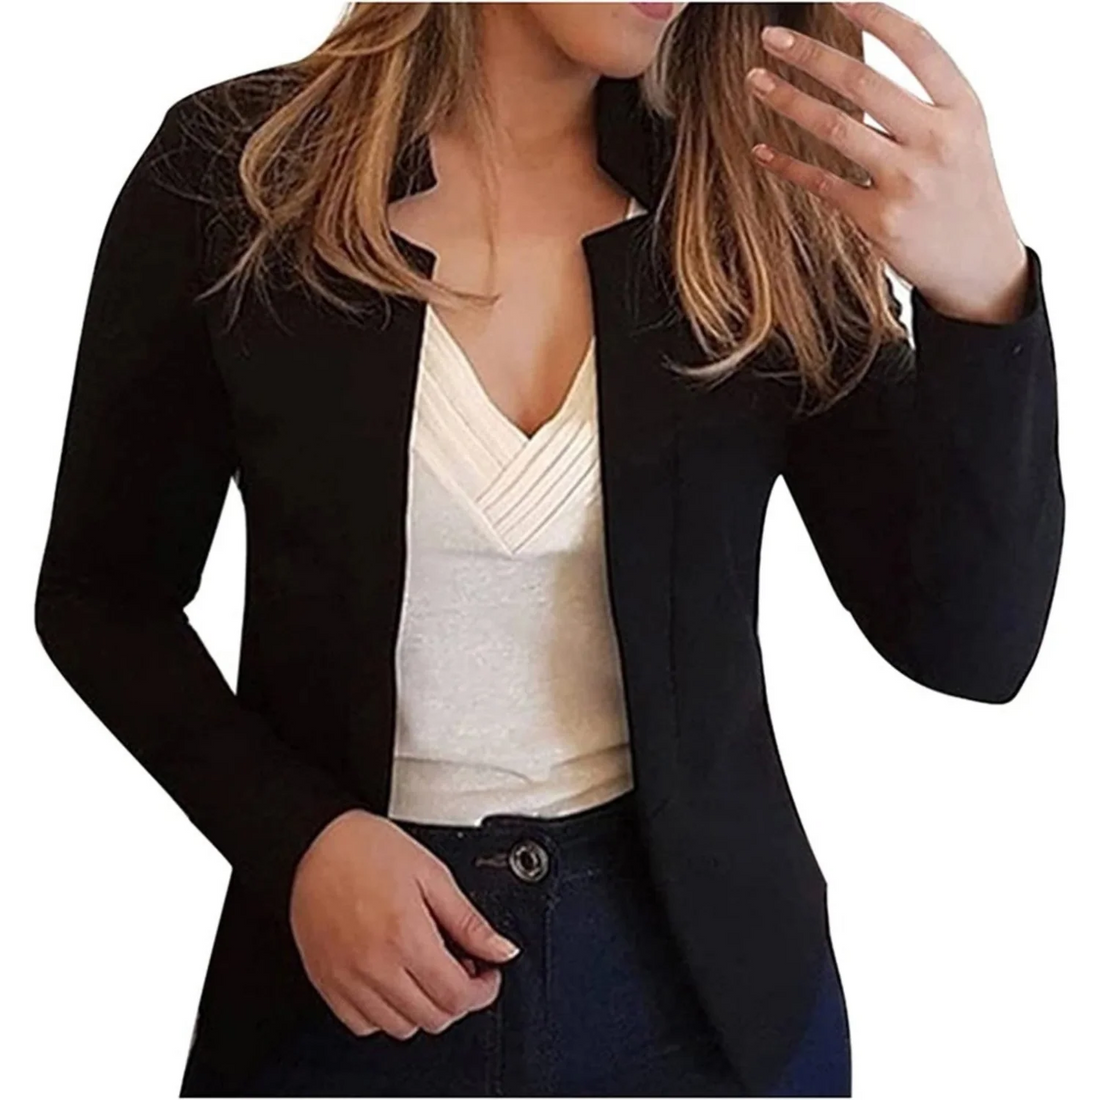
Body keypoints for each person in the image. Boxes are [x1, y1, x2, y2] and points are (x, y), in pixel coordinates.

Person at [34, 2, 1064, 1097]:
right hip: (346, 990)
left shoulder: (748, 210)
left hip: (703, 1009)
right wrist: (297, 838)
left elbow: (972, 646)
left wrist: (981, 293)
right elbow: (103, 596)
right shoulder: (236, 178)